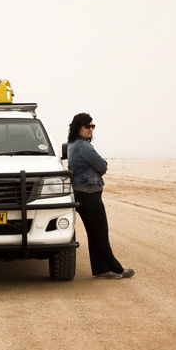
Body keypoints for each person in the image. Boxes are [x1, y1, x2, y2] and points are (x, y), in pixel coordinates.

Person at [67, 113, 134, 279]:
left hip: (80, 193)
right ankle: (117, 269)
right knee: (101, 234)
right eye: (87, 126)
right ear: (78, 127)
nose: (91, 129)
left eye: (92, 126)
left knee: (94, 233)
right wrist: (103, 164)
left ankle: (101, 270)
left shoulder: (72, 144)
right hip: (89, 193)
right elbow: (102, 166)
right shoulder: (83, 146)